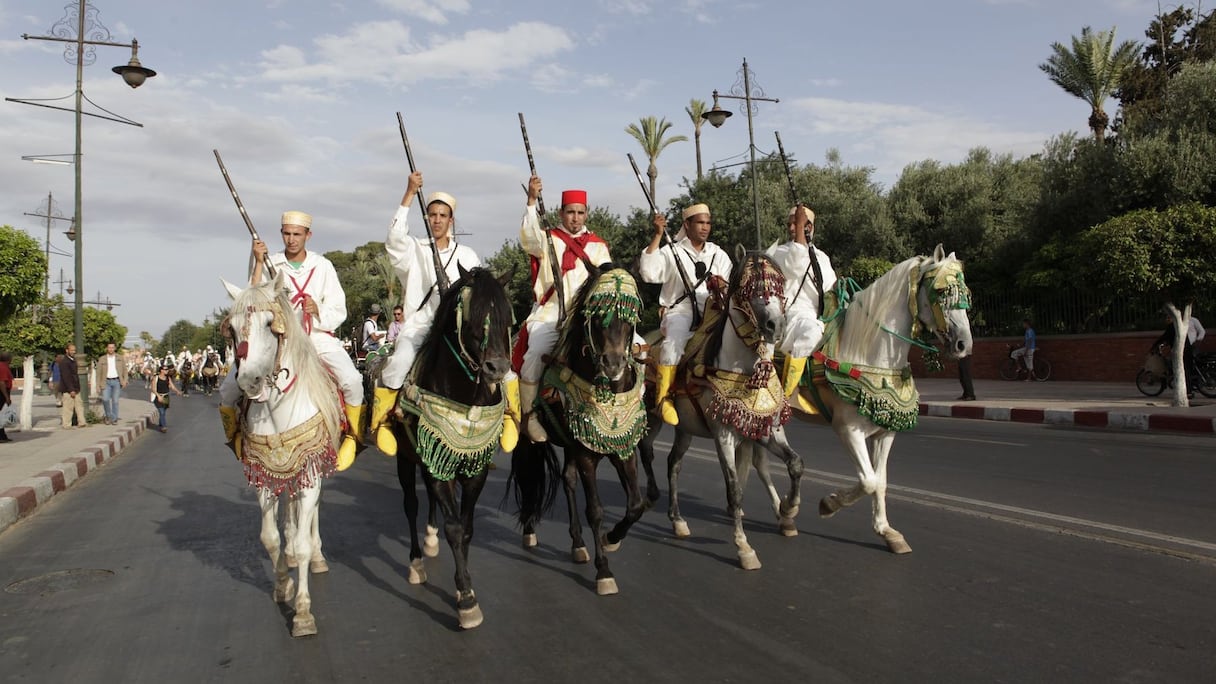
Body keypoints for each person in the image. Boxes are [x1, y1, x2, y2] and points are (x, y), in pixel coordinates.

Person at [218, 210, 365, 470]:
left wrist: (317, 310)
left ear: (308, 235)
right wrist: (259, 262)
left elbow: (338, 308)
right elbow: (252, 298)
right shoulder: (271, 262)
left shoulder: (323, 266)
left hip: (316, 337)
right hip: (278, 341)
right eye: (286, 233)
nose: (291, 239)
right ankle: (236, 435)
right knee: (229, 386)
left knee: (352, 379)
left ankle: (354, 436)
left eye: (297, 234)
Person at [373, 171, 486, 456]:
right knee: (399, 361)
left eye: (442, 215)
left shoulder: (468, 255)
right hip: (422, 325)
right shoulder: (415, 249)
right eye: (432, 215)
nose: (436, 220)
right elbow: (394, 238)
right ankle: (385, 418)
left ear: (451, 220)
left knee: (492, 366)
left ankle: (497, 422)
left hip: (457, 330)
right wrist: (409, 193)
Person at [514, 175, 613, 442]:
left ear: (586, 213)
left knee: (633, 348)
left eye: (580, 212)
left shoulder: (598, 246)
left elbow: (607, 282)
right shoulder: (548, 239)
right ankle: (529, 416)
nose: (576, 218)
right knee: (535, 353)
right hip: (552, 313)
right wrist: (532, 200)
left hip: (587, 318)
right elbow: (528, 239)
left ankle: (628, 405)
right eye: (570, 212)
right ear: (561, 213)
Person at [639, 203, 732, 425]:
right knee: (674, 344)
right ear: (687, 225)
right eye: (700, 222)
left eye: (708, 223)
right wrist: (658, 235)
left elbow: (728, 283)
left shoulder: (717, 253)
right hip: (681, 310)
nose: (705, 227)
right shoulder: (673, 251)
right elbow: (649, 272)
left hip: (713, 310)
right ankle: (663, 398)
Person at [767, 205, 837, 412]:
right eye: (789, 223)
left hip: (818, 316)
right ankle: (786, 396)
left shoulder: (822, 257)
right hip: (792, 315)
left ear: (811, 227)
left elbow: (829, 289)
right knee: (811, 333)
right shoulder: (780, 252)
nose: (791, 227)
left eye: (796, 223)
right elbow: (795, 265)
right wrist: (799, 232)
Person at [95, 342, 128, 425]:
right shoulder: (102, 359)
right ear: (107, 348)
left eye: (112, 347)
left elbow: (125, 370)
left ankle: (114, 418)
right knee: (105, 399)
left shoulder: (120, 358)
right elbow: (98, 373)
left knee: (115, 401)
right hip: (106, 381)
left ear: (115, 348)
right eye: (109, 347)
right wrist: (97, 385)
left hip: (117, 381)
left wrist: (124, 380)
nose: (111, 349)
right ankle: (109, 416)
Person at [58, 343, 88, 428]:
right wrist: (71, 389)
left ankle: (82, 422)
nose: (73, 352)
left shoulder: (73, 360)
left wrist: (76, 388)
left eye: (74, 350)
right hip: (68, 389)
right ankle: (66, 424)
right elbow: (66, 377)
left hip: (76, 388)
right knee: (68, 408)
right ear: (67, 350)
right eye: (71, 350)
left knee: (79, 406)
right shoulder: (64, 362)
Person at [151, 362, 184, 433]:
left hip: (166, 397)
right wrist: (158, 396)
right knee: (161, 412)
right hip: (158, 397)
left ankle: (161, 423)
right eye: (165, 369)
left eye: (167, 369)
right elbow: (153, 389)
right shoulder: (155, 378)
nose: (167, 371)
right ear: (161, 370)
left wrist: (177, 391)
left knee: (164, 411)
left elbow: (172, 386)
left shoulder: (168, 378)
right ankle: (163, 426)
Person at [0, 352, 12, 442]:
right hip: (2, 393)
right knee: (1, 415)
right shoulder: (3, 367)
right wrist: (6, 397)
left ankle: (3, 435)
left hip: (4, 392)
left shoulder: (3, 366)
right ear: (8, 359)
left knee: (2, 415)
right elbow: (2, 383)